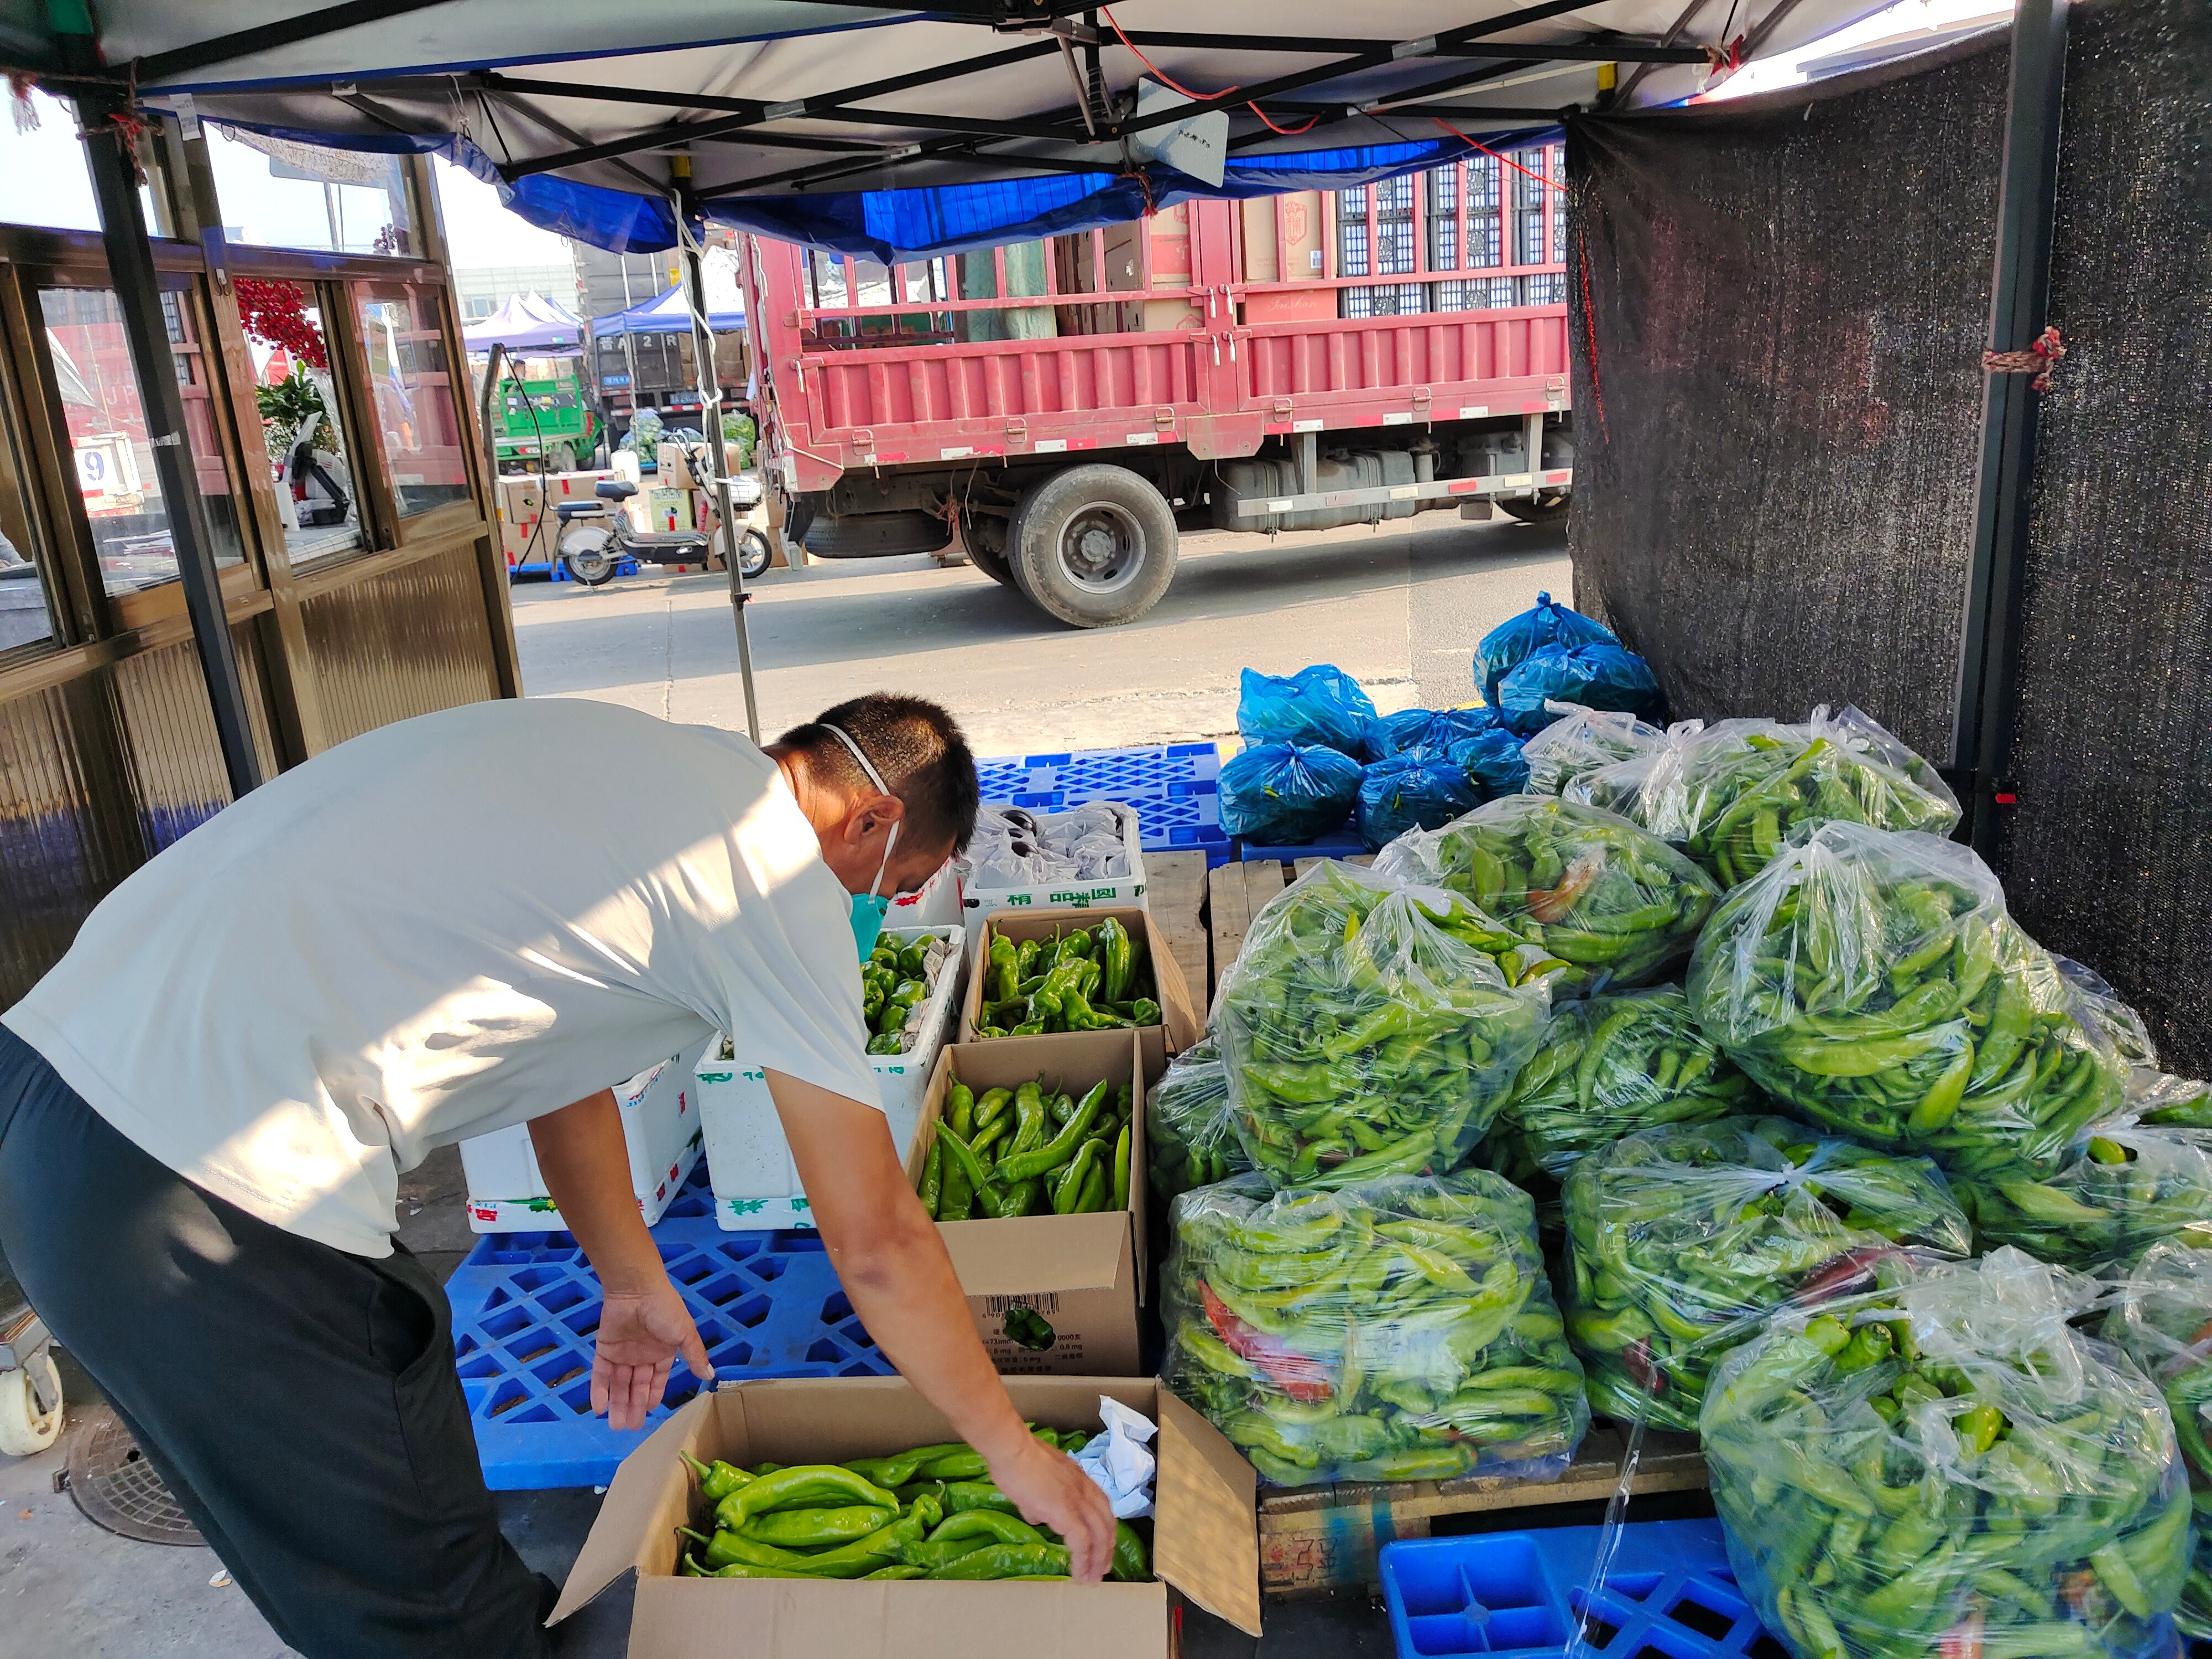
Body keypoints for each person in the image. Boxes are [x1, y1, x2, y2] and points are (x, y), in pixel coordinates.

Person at [0, 692, 1113, 1658]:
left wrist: (628, 1276)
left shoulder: (634, 771)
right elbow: (873, 1236)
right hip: (201, 1186)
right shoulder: (768, 871)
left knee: (357, 1541)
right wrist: (1013, 1453)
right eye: (896, 882)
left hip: (49, 1095)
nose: (878, 911)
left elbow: (553, 1059)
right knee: (421, 1608)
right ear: (868, 819)